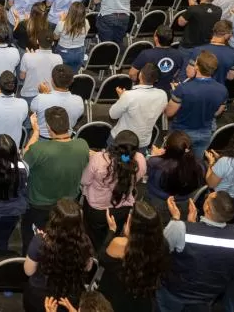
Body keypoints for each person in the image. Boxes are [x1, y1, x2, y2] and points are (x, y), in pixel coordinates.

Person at [157, 190, 234, 312]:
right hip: (207, 297)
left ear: (207, 208)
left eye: (208, 197)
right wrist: (192, 224)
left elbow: (160, 251)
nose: (207, 195)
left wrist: (176, 219)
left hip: (175, 292)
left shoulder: (179, 228)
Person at [22, 107, 91, 252]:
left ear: (48, 127)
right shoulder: (83, 145)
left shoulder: (39, 149)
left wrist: (35, 133)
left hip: (39, 205)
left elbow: (24, 159)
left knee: (33, 241)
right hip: (68, 205)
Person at [96, 200, 170, 312]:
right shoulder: (162, 245)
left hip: (116, 296)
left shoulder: (120, 244)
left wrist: (112, 231)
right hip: (143, 297)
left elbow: (102, 258)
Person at [23, 198, 94, 312]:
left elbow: (28, 271)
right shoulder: (86, 242)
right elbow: (88, 268)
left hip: (39, 297)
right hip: (69, 299)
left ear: (53, 219)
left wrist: (40, 240)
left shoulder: (39, 242)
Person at [81, 130, 146, 249]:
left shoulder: (99, 159)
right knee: (114, 233)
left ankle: (98, 251)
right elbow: (137, 179)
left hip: (97, 208)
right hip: (122, 207)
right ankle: (111, 249)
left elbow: (85, 181)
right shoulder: (140, 160)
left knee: (95, 236)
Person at [165, 51, 227, 159]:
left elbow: (169, 113)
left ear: (197, 67)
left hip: (181, 134)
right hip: (205, 132)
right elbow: (217, 112)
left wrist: (176, 95)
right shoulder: (222, 90)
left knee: (175, 163)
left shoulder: (183, 88)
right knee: (196, 165)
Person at [31, 64, 85, 139]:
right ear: (72, 81)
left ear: (52, 80)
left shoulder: (40, 98)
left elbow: (32, 113)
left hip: (42, 139)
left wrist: (43, 95)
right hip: (67, 139)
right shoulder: (79, 101)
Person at [53, 1, 88, 73]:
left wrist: (61, 20)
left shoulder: (62, 24)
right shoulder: (86, 23)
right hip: (79, 52)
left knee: (61, 76)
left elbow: (55, 37)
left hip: (64, 52)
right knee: (73, 75)